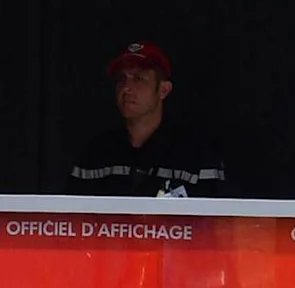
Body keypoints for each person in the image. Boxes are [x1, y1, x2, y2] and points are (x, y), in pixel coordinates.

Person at [65, 41, 228, 198]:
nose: (127, 87)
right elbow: (69, 219)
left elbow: (220, 222)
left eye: (139, 78)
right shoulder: (94, 154)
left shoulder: (197, 155)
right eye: (122, 78)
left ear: (163, 90)